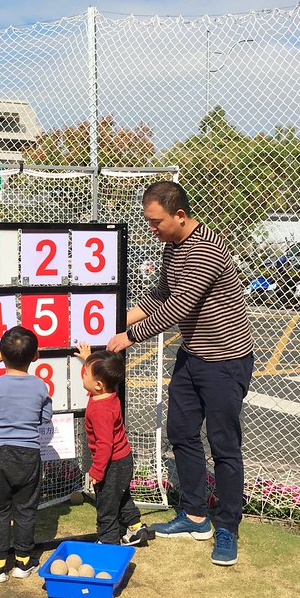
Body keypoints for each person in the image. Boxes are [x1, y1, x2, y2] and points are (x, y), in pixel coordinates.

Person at [107, 180, 254, 567]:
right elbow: (159, 296)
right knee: (182, 432)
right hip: (193, 356)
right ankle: (194, 516)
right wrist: (118, 319)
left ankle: (227, 528)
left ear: (180, 215)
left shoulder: (206, 248)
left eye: (156, 222)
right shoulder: (173, 247)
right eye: (148, 222)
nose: (151, 230)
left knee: (224, 446)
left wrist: (129, 336)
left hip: (225, 360)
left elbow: (180, 309)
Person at [0, 326, 54, 582]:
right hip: (29, 454)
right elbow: (46, 416)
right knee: (26, 509)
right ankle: (22, 561)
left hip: (0, 454)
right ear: (35, 356)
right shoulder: (40, 386)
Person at [75, 343, 151, 546]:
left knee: (107, 505)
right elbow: (98, 376)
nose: (83, 375)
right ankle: (135, 528)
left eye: (86, 373)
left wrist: (97, 472)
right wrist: (88, 359)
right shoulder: (108, 394)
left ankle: (108, 542)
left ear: (98, 384)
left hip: (111, 464)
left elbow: (104, 445)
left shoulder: (101, 410)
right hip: (123, 459)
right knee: (121, 495)